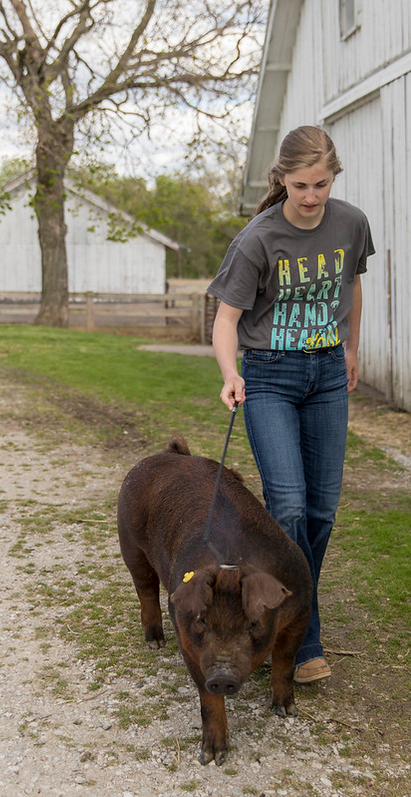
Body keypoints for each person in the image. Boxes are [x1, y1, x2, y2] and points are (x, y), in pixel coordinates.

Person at [208, 126, 375, 684]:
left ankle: (282, 608)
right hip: (268, 376)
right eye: (299, 185)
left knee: (323, 512)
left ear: (334, 177)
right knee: (289, 509)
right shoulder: (257, 238)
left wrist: (351, 348)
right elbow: (226, 320)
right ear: (280, 179)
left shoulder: (350, 222)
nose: (310, 196)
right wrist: (231, 374)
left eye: (321, 184)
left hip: (327, 373)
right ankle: (304, 640)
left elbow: (351, 286)